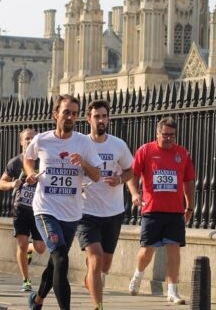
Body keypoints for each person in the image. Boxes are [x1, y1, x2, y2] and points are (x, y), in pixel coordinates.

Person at [25, 94, 102, 310]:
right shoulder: (42, 139)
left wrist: (83, 163)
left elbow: (96, 175)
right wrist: (31, 172)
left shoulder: (83, 142)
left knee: (55, 262)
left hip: (72, 213)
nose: (70, 117)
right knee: (60, 259)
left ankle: (37, 301)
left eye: (74, 114)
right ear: (55, 114)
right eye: (66, 112)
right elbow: (28, 158)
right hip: (45, 209)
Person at [126, 116, 196, 305]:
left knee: (174, 249)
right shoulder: (146, 151)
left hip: (175, 211)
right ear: (157, 133)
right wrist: (134, 194)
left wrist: (189, 206)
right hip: (151, 210)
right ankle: (138, 274)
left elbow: (188, 182)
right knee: (147, 250)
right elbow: (132, 175)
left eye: (172, 135)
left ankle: (172, 291)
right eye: (165, 135)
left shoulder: (183, 153)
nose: (168, 139)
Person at [78, 99, 134, 310]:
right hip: (86, 211)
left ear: (108, 119)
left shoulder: (118, 145)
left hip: (113, 212)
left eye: (104, 116)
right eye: (96, 116)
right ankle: (98, 306)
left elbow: (131, 170)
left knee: (105, 264)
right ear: (88, 119)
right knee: (96, 258)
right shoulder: (81, 143)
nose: (101, 120)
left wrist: (120, 180)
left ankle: (91, 278)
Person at [0, 128, 46, 292]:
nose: (30, 141)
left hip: (39, 209)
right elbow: (0, 183)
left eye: (33, 138)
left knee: (40, 247)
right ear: (21, 142)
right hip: (20, 209)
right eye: (27, 138)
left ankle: (30, 249)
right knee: (22, 244)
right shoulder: (15, 162)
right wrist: (12, 184)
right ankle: (26, 280)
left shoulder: (43, 161)